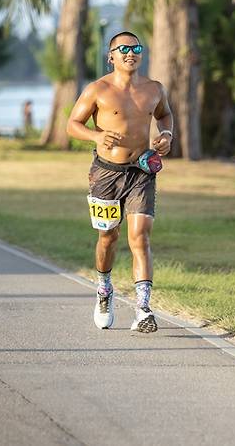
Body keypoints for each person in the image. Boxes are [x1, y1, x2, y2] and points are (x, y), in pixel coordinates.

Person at [66, 31, 173, 333]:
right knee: (108, 237)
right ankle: (104, 289)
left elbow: (165, 116)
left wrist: (166, 135)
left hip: (141, 171)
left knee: (141, 236)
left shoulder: (154, 89)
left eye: (136, 48)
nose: (130, 53)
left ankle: (143, 309)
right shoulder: (97, 90)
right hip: (106, 173)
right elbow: (72, 125)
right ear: (110, 56)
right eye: (123, 48)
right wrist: (96, 135)